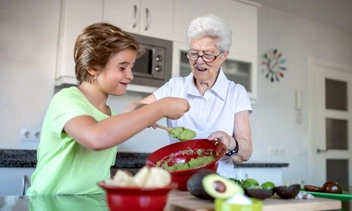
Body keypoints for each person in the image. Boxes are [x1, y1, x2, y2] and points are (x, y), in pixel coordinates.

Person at [26, 22, 189, 195]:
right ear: (92, 67)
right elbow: (96, 138)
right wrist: (160, 107)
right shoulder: (66, 99)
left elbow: (88, 172)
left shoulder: (112, 116)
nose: (130, 75)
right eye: (122, 67)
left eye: (131, 67)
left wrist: (113, 180)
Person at [125, 14, 253, 178]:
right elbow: (130, 110)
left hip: (220, 181)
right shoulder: (175, 87)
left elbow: (246, 152)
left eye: (207, 54)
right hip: (179, 179)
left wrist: (230, 142)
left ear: (223, 56)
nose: (199, 61)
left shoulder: (236, 92)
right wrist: (148, 112)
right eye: (194, 53)